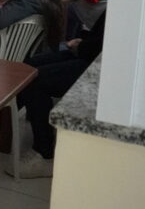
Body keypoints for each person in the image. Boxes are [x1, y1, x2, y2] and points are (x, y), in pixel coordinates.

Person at [13, 12, 106, 178]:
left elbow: (102, 46)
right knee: (29, 66)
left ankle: (44, 154)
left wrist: (82, 46)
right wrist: (82, 43)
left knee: (34, 81)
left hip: (99, 66)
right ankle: (11, 127)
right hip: (90, 51)